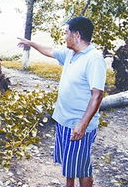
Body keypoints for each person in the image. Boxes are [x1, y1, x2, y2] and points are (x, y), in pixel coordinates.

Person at [17, 17, 106, 187]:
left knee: (82, 169)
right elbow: (50, 51)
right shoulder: (70, 54)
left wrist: (82, 124)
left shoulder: (94, 59)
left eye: (66, 33)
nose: (65, 36)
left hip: (78, 126)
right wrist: (30, 43)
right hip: (64, 121)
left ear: (77, 35)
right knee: (69, 165)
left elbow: (97, 95)